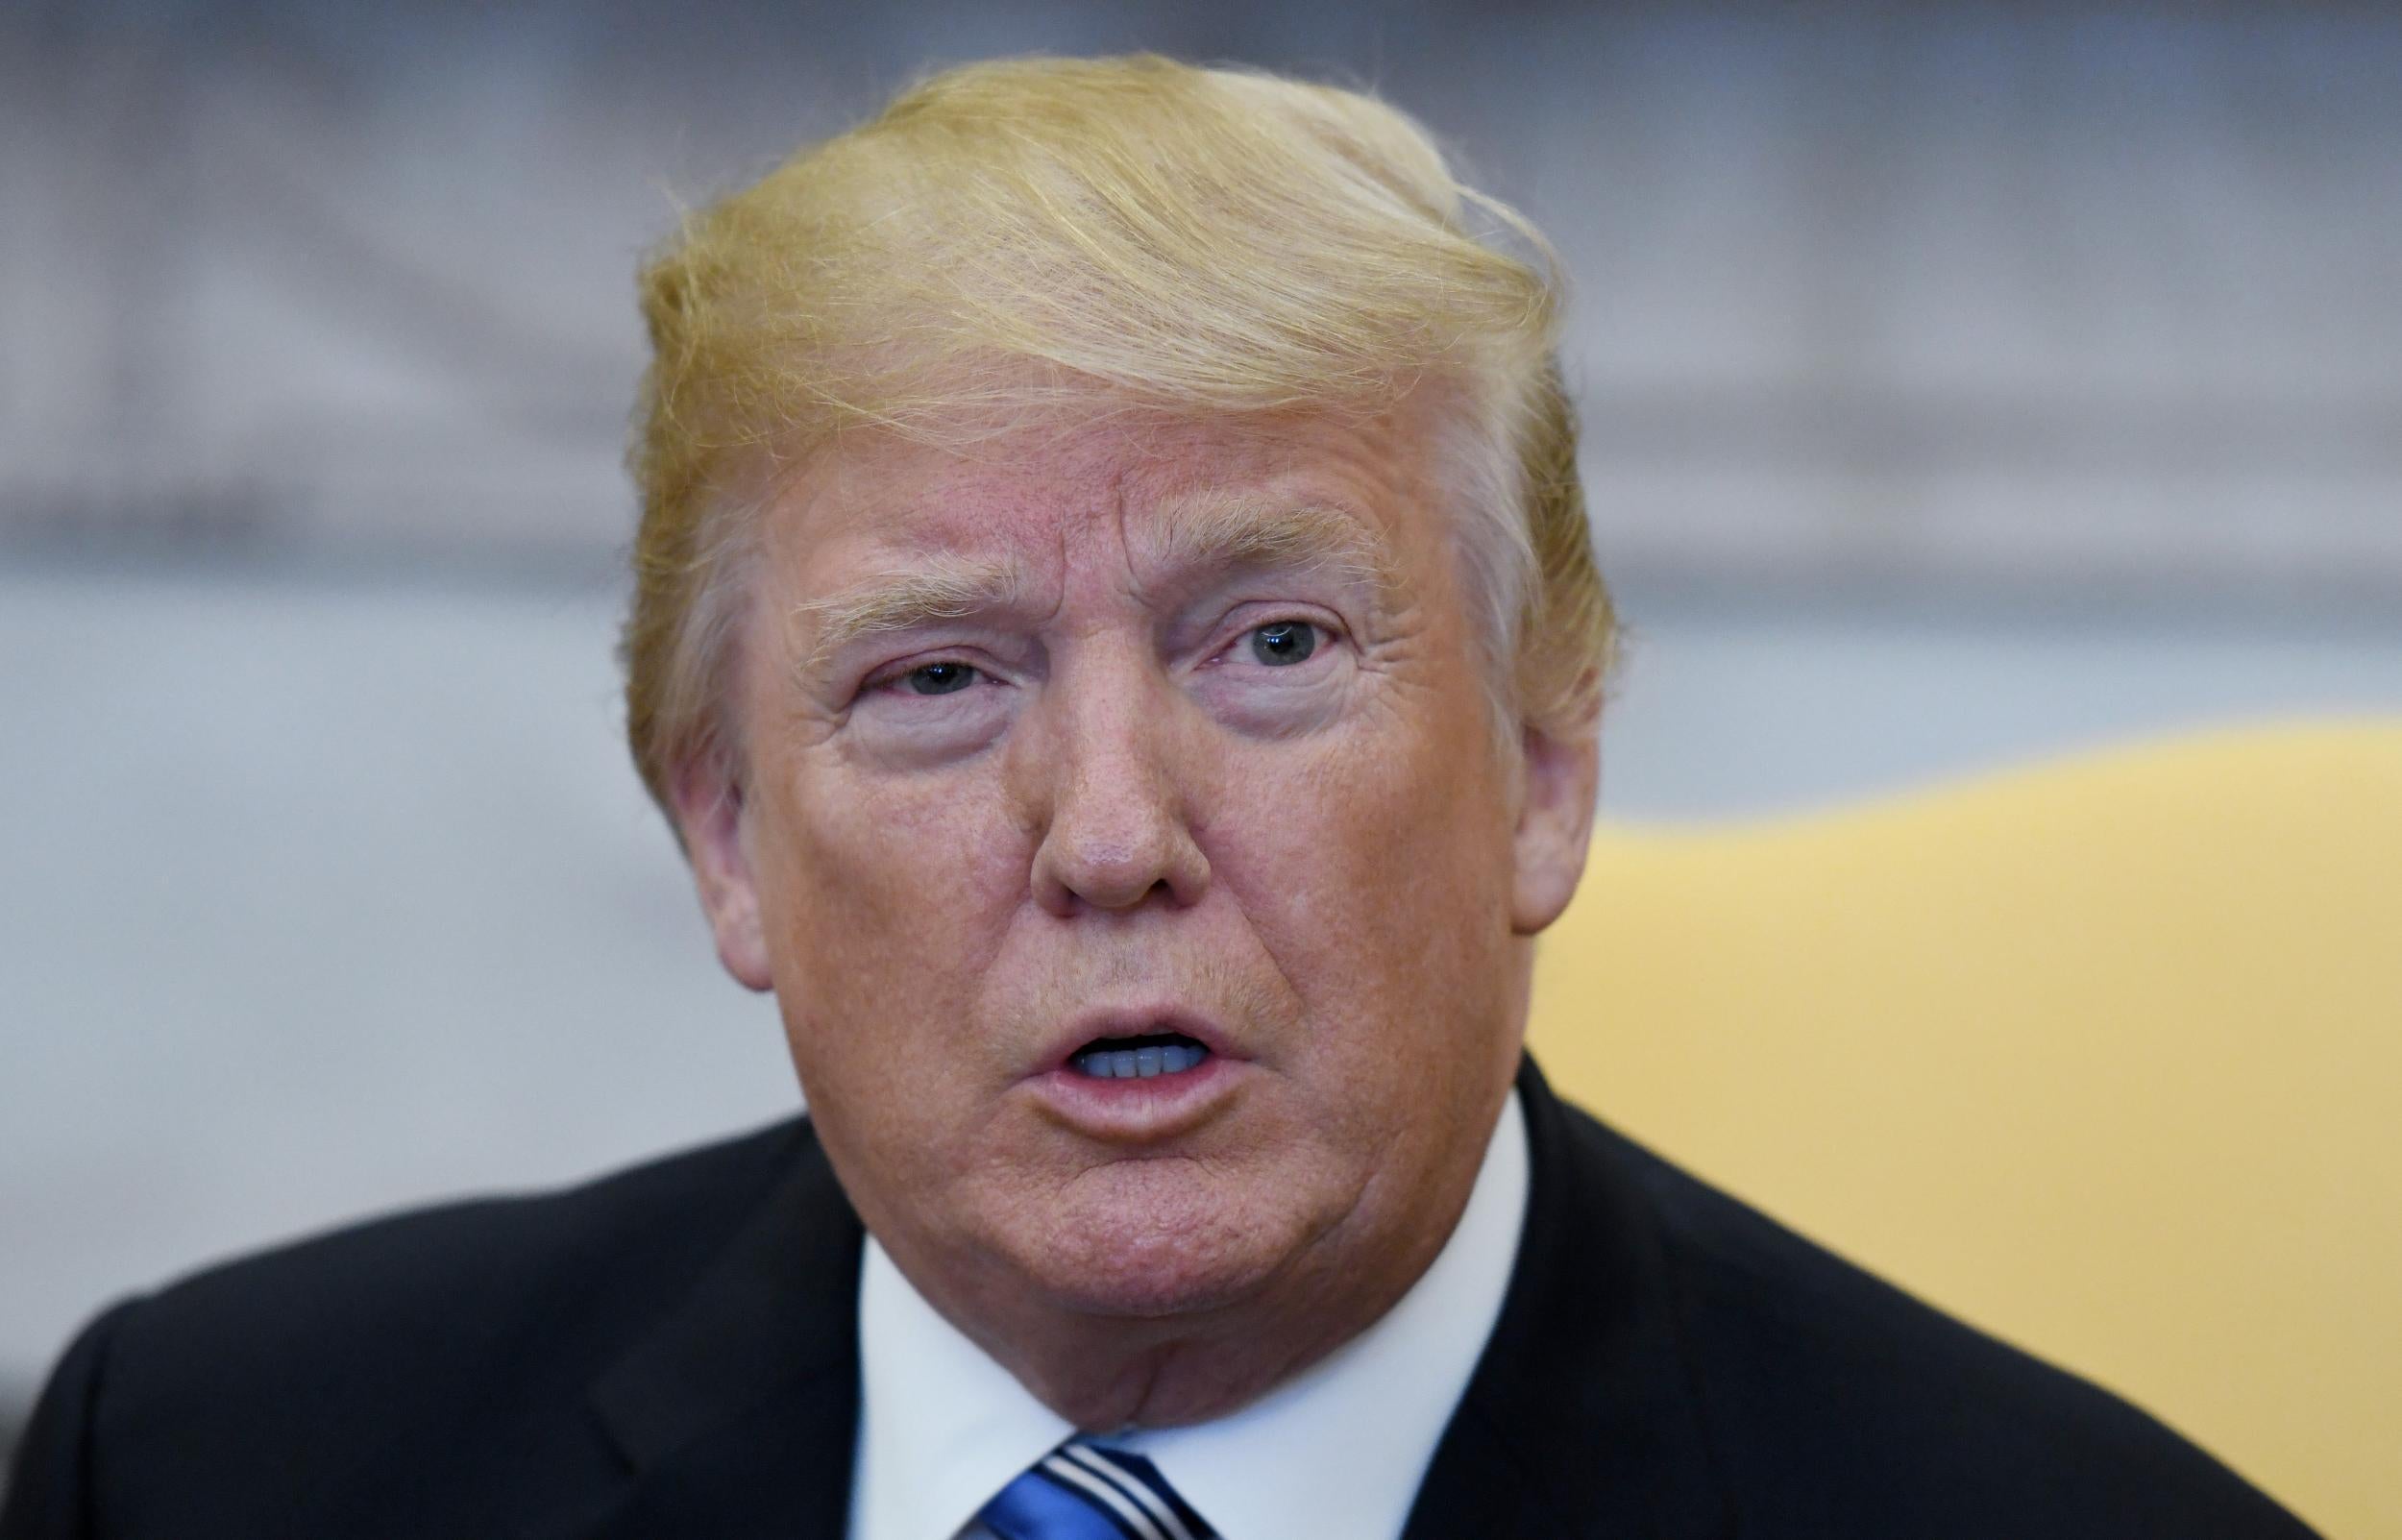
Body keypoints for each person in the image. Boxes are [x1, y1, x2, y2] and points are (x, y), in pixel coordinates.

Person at [0, 54, 2316, 1540]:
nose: (1109, 831)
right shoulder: (217, 1463)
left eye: (1271, 647)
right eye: (932, 676)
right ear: (723, 835)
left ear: (1538, 761)